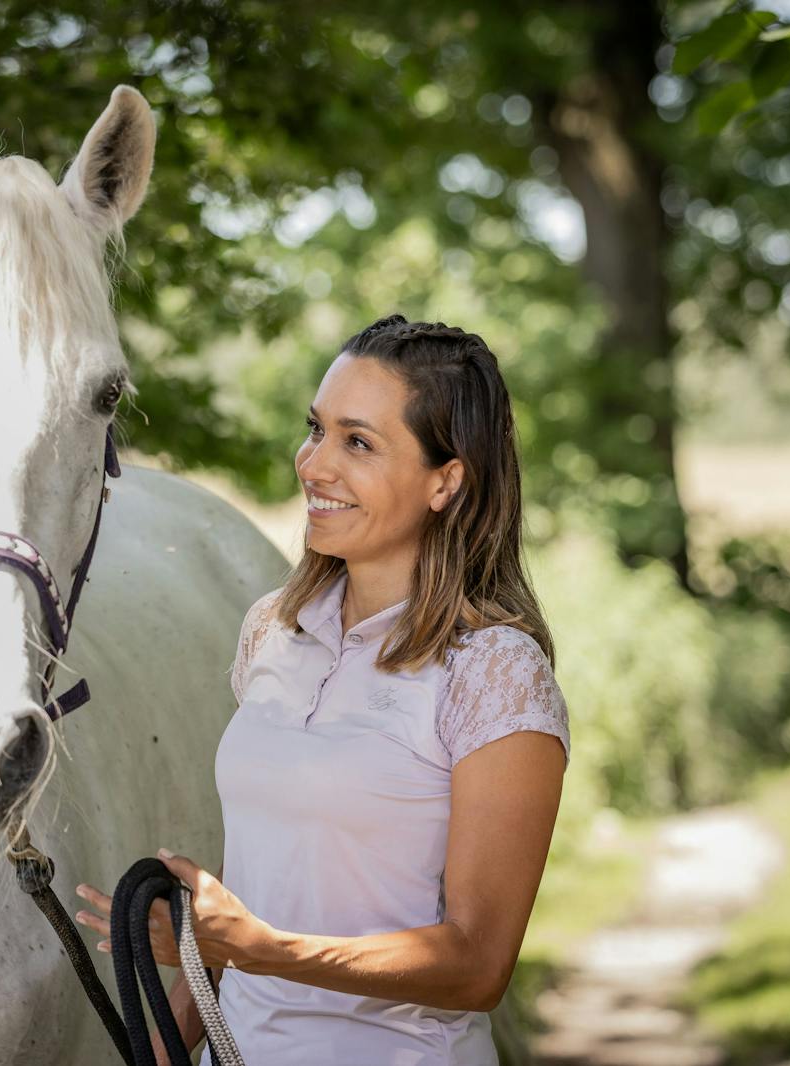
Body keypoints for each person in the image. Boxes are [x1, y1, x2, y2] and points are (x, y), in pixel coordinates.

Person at [75, 315, 571, 1064]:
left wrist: (265, 949)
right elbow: (249, 896)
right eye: (317, 429)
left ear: (448, 479)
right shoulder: (270, 632)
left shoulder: (495, 672)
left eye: (358, 443)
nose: (314, 464)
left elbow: (478, 966)